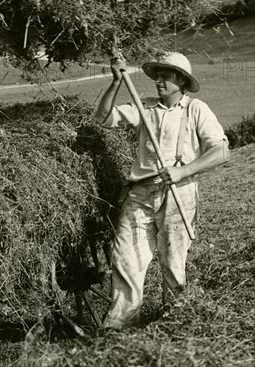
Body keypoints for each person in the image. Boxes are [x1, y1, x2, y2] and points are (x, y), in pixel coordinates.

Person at [94, 51, 229, 330]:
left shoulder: (196, 110)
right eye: (156, 74)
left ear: (181, 80)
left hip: (178, 194)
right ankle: (120, 326)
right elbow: (103, 118)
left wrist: (183, 170)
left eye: (165, 75)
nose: (158, 80)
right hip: (139, 194)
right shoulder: (145, 107)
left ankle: (173, 322)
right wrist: (116, 81)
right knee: (125, 260)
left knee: (173, 264)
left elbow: (221, 151)